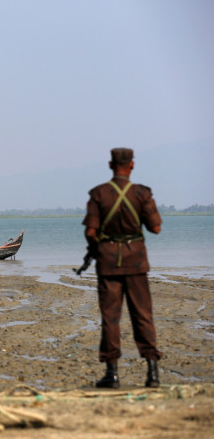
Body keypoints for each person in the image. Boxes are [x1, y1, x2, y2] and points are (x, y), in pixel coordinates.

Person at [83, 148, 163, 389]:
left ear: (110, 165)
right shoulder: (142, 193)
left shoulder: (99, 194)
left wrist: (97, 248)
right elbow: (156, 228)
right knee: (143, 315)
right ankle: (152, 373)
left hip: (108, 264)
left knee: (110, 318)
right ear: (132, 165)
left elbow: (90, 232)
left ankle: (113, 374)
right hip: (136, 262)